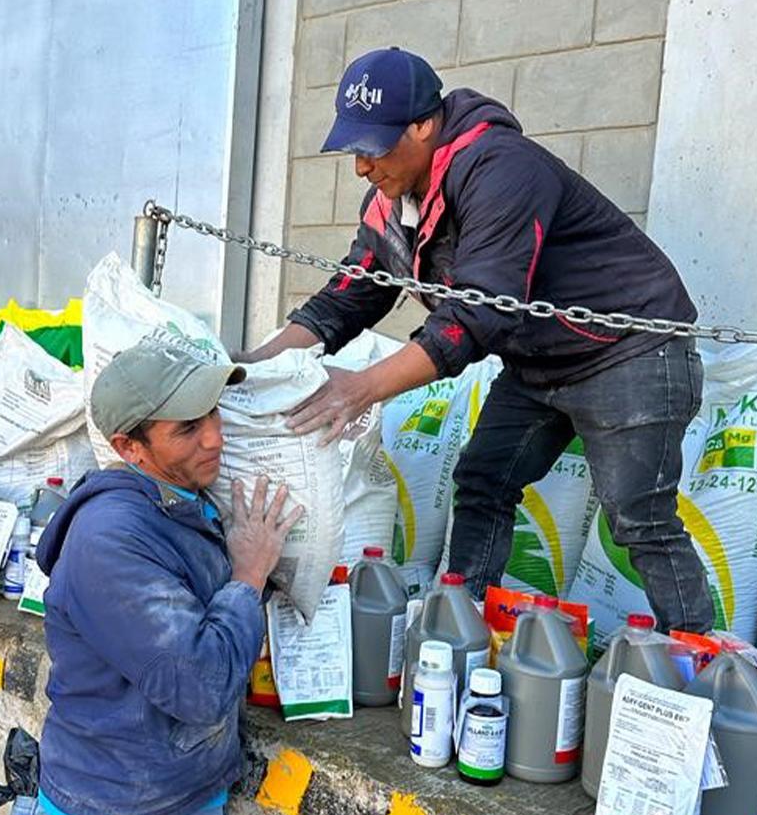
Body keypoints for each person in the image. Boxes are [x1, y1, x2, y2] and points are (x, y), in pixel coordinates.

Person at [242, 47, 713, 634]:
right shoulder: (392, 202)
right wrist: (250, 367)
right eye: (354, 150)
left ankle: (704, 668)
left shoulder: (500, 168)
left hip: (629, 349)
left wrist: (362, 389)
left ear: (423, 125)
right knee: (483, 480)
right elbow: (352, 293)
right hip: (541, 363)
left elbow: (478, 315)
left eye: (374, 147)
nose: (362, 168)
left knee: (638, 517)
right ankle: (457, 633)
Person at [8, 340, 302, 815]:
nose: (215, 437)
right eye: (187, 429)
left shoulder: (185, 502)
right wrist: (248, 576)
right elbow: (200, 686)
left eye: (212, 413)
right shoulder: (111, 539)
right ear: (130, 447)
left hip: (190, 806)